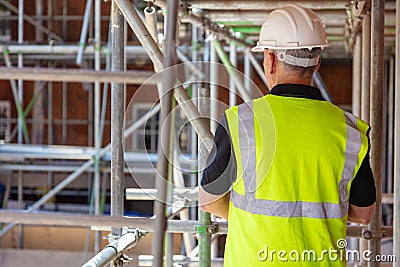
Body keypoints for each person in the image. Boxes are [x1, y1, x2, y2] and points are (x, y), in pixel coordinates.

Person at [199, 4, 376, 266]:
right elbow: (363, 216)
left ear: (269, 59)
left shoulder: (241, 122)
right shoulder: (350, 131)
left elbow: (209, 200)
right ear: (316, 63)